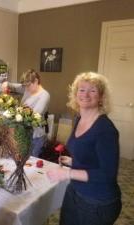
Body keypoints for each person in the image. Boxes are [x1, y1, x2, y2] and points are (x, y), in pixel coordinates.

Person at [47, 72, 122, 225]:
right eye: (81, 90)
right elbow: (91, 157)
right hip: (75, 190)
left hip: (97, 201)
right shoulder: (80, 118)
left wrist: (68, 172)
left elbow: (107, 175)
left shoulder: (105, 129)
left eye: (92, 90)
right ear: (75, 95)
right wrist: (73, 161)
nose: (86, 95)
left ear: (101, 97)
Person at [1, 69, 50, 157]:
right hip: (23, 133)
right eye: (25, 86)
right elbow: (14, 86)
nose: (26, 88)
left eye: (28, 86)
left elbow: (34, 115)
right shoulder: (27, 89)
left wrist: (13, 111)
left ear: (36, 81)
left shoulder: (44, 95)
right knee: (22, 159)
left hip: (35, 136)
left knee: (31, 162)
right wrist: (6, 84)